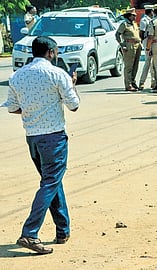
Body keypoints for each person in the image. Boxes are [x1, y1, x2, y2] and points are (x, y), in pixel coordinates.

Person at [6, 36, 80, 254]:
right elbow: (73, 105)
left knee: (52, 181)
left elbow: (12, 108)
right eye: (56, 52)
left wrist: (32, 110)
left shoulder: (17, 76)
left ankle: (62, 229)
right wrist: (72, 84)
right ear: (50, 52)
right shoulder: (57, 74)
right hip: (54, 137)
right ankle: (29, 233)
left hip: (32, 137)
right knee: (50, 182)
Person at [116, 8, 142, 92]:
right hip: (129, 45)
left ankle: (133, 82)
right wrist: (122, 44)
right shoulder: (124, 24)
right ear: (129, 16)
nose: (135, 17)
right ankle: (128, 85)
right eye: (133, 15)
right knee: (129, 66)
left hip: (137, 45)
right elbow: (117, 34)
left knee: (135, 66)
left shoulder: (134, 24)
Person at [138, 5, 156, 91]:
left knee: (154, 63)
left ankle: (154, 82)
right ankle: (142, 82)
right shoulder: (144, 20)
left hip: (153, 41)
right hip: (147, 40)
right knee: (148, 62)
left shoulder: (152, 20)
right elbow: (141, 33)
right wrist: (144, 43)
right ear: (150, 11)